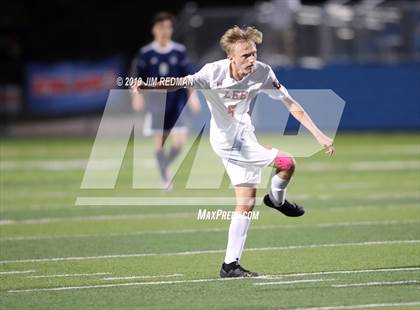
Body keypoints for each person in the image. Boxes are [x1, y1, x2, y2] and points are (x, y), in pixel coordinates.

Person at [136, 26, 335, 277]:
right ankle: (276, 200)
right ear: (231, 57)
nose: (252, 59)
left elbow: (290, 103)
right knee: (287, 162)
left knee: (246, 202)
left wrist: (318, 134)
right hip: (227, 142)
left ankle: (230, 265)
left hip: (244, 137)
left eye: (254, 53)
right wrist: (148, 85)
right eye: (245, 55)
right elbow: (177, 83)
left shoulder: (262, 72)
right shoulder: (212, 72)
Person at [131, 12, 200, 189]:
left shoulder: (179, 51)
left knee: (178, 144)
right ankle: (165, 178)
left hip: (177, 103)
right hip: (156, 104)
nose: (165, 31)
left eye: (168, 27)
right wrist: (137, 96)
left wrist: (193, 97)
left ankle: (164, 166)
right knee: (159, 143)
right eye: (161, 27)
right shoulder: (146, 53)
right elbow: (137, 78)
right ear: (154, 29)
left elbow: (188, 77)